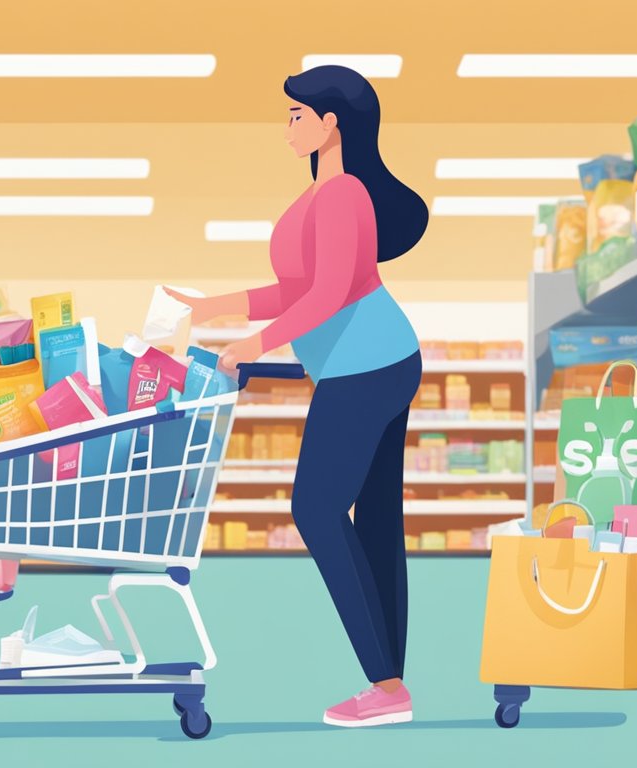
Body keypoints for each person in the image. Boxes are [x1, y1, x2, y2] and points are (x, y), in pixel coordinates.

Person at [168, 65, 427, 728]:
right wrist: (213, 307)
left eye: (294, 115)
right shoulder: (321, 196)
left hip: (368, 364)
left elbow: (332, 292)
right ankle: (390, 684)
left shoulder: (343, 196)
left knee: (315, 509)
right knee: (370, 521)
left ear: (330, 122)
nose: (286, 126)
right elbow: (295, 288)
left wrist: (256, 345)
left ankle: (384, 684)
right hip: (370, 362)